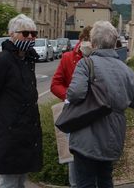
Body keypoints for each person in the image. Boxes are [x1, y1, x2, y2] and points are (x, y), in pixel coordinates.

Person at [67, 21, 134, 187]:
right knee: (105, 179)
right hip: (112, 135)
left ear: (93, 44)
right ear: (115, 43)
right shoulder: (126, 70)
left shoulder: (86, 64)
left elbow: (75, 93)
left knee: (85, 182)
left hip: (87, 132)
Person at [0, 14, 43, 188]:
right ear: (12, 34)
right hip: (9, 133)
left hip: (25, 133)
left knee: (20, 180)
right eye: (25, 33)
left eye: (33, 34)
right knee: (10, 182)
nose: (30, 37)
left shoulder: (27, 60)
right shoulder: (3, 61)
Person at [51, 26, 92, 187]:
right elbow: (55, 84)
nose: (88, 44)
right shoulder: (68, 57)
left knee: (93, 159)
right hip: (73, 114)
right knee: (73, 159)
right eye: (86, 40)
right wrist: (69, 96)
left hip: (94, 114)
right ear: (82, 40)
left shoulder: (99, 58)